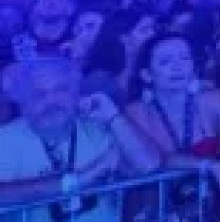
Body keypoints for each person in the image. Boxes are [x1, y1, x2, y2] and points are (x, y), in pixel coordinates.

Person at [0, 55, 161, 221]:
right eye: (38, 94)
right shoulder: (5, 139)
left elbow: (149, 165)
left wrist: (113, 115)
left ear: (76, 95)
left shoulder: (96, 128)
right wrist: (80, 177)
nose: (51, 101)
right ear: (21, 102)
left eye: (61, 90)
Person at [121, 34, 220, 208]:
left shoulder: (211, 100)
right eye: (165, 62)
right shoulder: (135, 112)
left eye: (185, 58)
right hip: (158, 207)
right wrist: (211, 166)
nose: (178, 67)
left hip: (212, 202)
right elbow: (158, 160)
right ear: (147, 75)